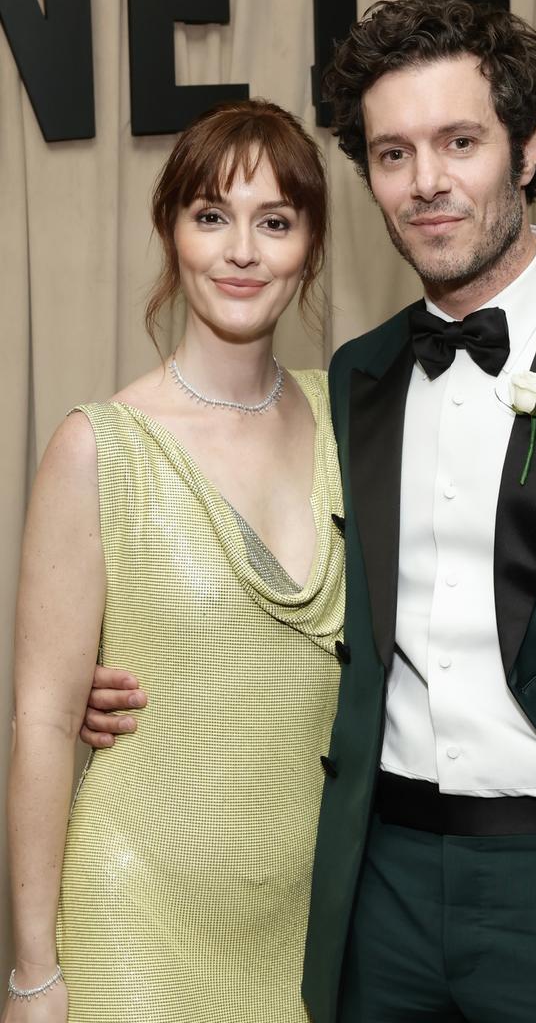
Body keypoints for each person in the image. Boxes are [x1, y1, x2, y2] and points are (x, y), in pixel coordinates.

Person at [83, 1, 536, 1021]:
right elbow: (301, 603)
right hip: (376, 894)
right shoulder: (356, 378)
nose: (426, 182)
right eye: (393, 153)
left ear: (530, 147)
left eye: (460, 142)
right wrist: (158, 692)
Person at [4, 98, 344, 1023]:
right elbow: (40, 720)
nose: (242, 251)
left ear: (309, 247)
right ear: (171, 232)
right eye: (211, 216)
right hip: (137, 911)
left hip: (305, 926)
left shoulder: (350, 425)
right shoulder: (97, 447)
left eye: (275, 221)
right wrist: (33, 972)